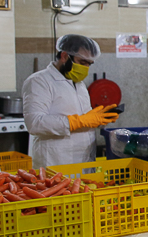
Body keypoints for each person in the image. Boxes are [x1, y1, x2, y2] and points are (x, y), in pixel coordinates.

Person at [22, 34, 119, 168]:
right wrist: (76, 122)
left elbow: (84, 117)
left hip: (84, 160)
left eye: (89, 64)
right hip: (56, 162)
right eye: (82, 62)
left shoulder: (79, 84)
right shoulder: (39, 81)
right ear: (64, 56)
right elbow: (34, 123)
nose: (85, 68)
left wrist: (100, 119)